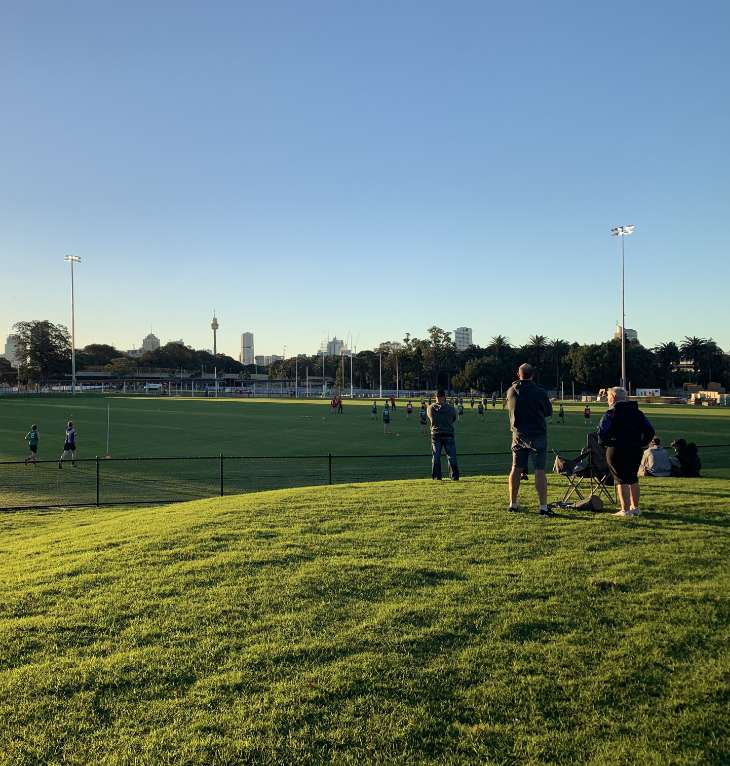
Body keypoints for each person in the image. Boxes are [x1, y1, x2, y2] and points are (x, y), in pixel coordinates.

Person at [598, 387, 655, 517]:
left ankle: (625, 510)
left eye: (608, 397)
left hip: (617, 449)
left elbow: (601, 434)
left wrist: (609, 443)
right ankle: (635, 508)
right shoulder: (638, 413)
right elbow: (650, 430)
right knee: (633, 478)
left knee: (620, 479)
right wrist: (642, 443)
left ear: (612, 398)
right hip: (635, 448)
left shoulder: (611, 413)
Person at [505, 363, 553, 515]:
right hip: (537, 434)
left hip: (518, 435)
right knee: (539, 470)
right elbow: (547, 412)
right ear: (532, 375)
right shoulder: (539, 392)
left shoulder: (511, 391)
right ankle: (543, 506)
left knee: (516, 468)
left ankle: (513, 503)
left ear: (519, 374)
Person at [427, 390, 459, 480]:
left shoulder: (430, 408)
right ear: (444, 397)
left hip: (436, 434)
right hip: (448, 433)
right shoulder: (450, 408)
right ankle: (454, 476)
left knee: (436, 456)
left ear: (435, 397)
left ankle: (436, 476)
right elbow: (453, 419)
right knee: (451, 456)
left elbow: (430, 419)